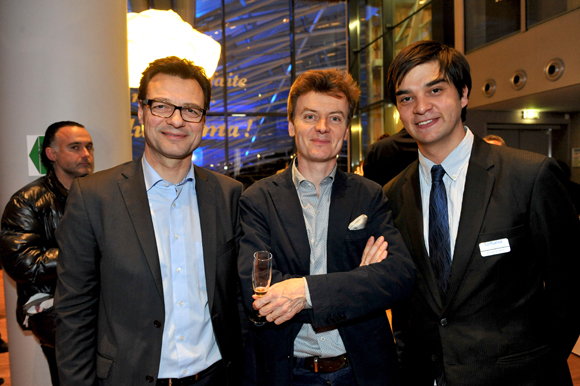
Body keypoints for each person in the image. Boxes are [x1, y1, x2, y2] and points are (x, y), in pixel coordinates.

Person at [383, 40, 580, 386]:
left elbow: (571, 287)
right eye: (406, 98)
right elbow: (407, 307)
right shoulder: (392, 195)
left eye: (435, 90)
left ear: (463, 94)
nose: (421, 108)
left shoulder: (529, 177)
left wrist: (540, 365)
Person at [55, 57, 243, 386]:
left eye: (190, 110)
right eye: (162, 106)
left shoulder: (230, 195)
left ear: (202, 121)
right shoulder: (94, 197)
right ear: (141, 111)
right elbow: (73, 311)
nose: (177, 120)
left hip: (216, 377)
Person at [238, 69, 415, 386]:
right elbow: (260, 293)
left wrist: (303, 293)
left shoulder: (369, 195)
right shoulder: (257, 200)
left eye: (335, 118)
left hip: (361, 370)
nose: (322, 128)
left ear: (346, 129)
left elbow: (399, 276)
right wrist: (360, 280)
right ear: (292, 125)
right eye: (310, 116)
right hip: (288, 373)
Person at [0, 121, 94, 386]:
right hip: (59, 320)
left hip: (104, 316)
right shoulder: (27, 200)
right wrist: (80, 253)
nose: (86, 154)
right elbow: (21, 263)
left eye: (88, 147)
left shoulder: (101, 195)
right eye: (75, 147)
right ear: (51, 154)